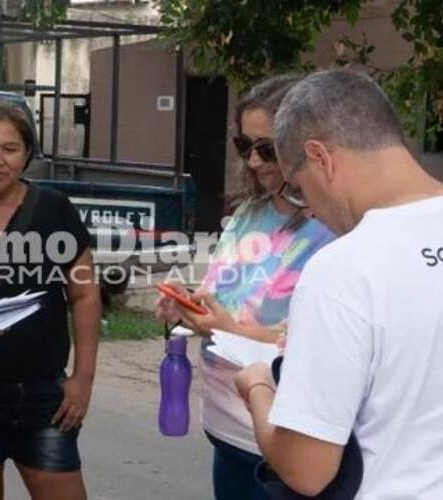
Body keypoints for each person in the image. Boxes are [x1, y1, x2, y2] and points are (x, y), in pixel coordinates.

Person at [235, 69, 443, 498]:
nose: (307, 208)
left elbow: (306, 470)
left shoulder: (344, 270)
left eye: (298, 188)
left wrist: (256, 384)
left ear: (321, 158)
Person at [155, 75, 334, 500]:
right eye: (243, 146)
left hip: (281, 440)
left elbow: (321, 341)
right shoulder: (248, 211)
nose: (253, 162)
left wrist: (223, 328)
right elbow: (234, 293)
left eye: (267, 148)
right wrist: (190, 303)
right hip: (225, 428)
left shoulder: (332, 226)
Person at [0, 100, 101, 500]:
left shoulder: (53, 210)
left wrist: (83, 378)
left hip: (43, 397)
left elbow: (84, 294)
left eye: (10, 149)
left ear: (27, 155)